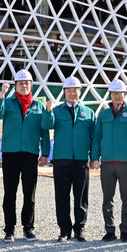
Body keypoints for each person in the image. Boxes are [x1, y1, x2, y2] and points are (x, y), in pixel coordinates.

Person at [0, 69, 50, 243]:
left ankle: (28, 228)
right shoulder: (8, 102)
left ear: (31, 85)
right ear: (15, 85)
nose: (24, 86)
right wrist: (1, 95)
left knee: (29, 193)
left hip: (30, 154)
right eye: (20, 83)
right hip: (10, 153)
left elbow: (44, 131)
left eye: (27, 83)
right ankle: (9, 229)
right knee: (10, 192)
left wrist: (45, 153)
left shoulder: (38, 106)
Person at [91, 79, 127, 242]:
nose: (117, 96)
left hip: (125, 163)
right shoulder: (103, 114)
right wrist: (95, 158)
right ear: (110, 95)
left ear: (124, 94)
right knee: (107, 198)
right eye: (114, 93)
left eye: (119, 93)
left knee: (126, 198)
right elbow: (97, 138)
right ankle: (110, 230)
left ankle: (125, 230)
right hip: (107, 163)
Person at [42, 76, 95, 242]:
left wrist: (94, 157)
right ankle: (64, 230)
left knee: (81, 197)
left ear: (80, 92)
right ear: (64, 92)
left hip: (81, 160)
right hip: (61, 160)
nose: (72, 93)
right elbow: (46, 125)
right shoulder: (57, 111)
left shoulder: (89, 112)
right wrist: (48, 111)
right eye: (69, 90)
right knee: (62, 196)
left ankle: (80, 229)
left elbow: (94, 137)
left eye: (75, 90)